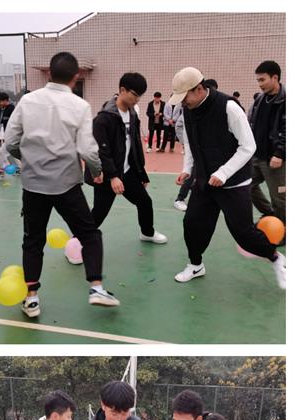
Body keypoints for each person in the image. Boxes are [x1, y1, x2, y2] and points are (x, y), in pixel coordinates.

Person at [4, 51, 120, 314]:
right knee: (90, 235)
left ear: (49, 73)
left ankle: (31, 298)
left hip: (33, 185)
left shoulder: (27, 101)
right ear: (76, 77)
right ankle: (96, 287)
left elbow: (10, 142)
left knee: (33, 240)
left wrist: (29, 159)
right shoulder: (80, 106)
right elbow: (87, 149)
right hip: (67, 184)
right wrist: (97, 171)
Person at [169, 67, 286, 289]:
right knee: (192, 224)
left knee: (243, 234)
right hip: (205, 181)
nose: (183, 103)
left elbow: (248, 146)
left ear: (199, 89)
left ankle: (276, 258)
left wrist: (223, 173)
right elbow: (190, 142)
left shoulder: (229, 107)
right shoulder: (188, 109)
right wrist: (187, 169)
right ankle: (196, 265)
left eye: (185, 97)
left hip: (234, 183)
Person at [87, 73, 168, 245]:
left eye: (140, 96)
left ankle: (147, 233)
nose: (137, 99)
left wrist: (141, 173)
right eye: (135, 94)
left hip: (127, 171)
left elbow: (135, 145)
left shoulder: (132, 114)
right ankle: (77, 242)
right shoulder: (103, 119)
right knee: (99, 213)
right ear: (122, 90)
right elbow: (102, 151)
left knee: (144, 201)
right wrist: (113, 176)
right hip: (107, 175)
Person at [249, 60, 286, 232]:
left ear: (275, 77)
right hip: (257, 156)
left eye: (262, 80)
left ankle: (284, 229)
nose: (260, 84)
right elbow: (252, 124)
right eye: (258, 80)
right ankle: (270, 214)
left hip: (275, 158)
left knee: (279, 197)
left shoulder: (286, 100)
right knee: (247, 186)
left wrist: (280, 153)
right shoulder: (259, 99)